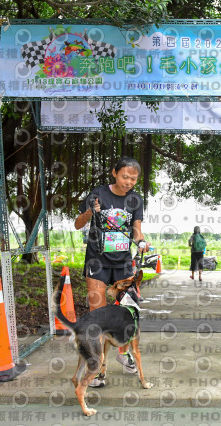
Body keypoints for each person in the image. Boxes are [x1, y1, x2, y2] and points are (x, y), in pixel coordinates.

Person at [74, 157, 149, 387]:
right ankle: (98, 367)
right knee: (98, 316)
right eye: (125, 177)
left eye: (134, 179)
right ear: (114, 173)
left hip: (123, 262)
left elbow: (136, 230)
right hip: (97, 261)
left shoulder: (136, 199)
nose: (129, 182)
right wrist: (91, 211)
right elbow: (78, 224)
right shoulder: (98, 193)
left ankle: (123, 353)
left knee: (127, 314)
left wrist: (141, 241)